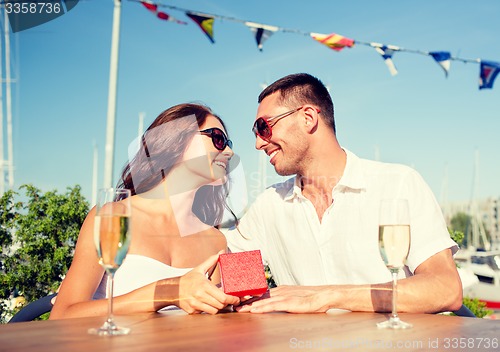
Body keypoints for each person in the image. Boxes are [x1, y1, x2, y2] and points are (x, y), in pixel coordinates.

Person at [225, 73, 463, 314]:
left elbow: (444, 288)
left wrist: (327, 296)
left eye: (263, 127)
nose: (258, 144)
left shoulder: (398, 184)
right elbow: (235, 285)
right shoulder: (269, 206)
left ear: (308, 118)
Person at [50, 103, 240, 319]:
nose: (229, 152)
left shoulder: (216, 241)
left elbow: (218, 323)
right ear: (177, 140)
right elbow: (62, 315)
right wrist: (166, 292)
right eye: (218, 139)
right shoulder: (114, 217)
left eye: (228, 143)